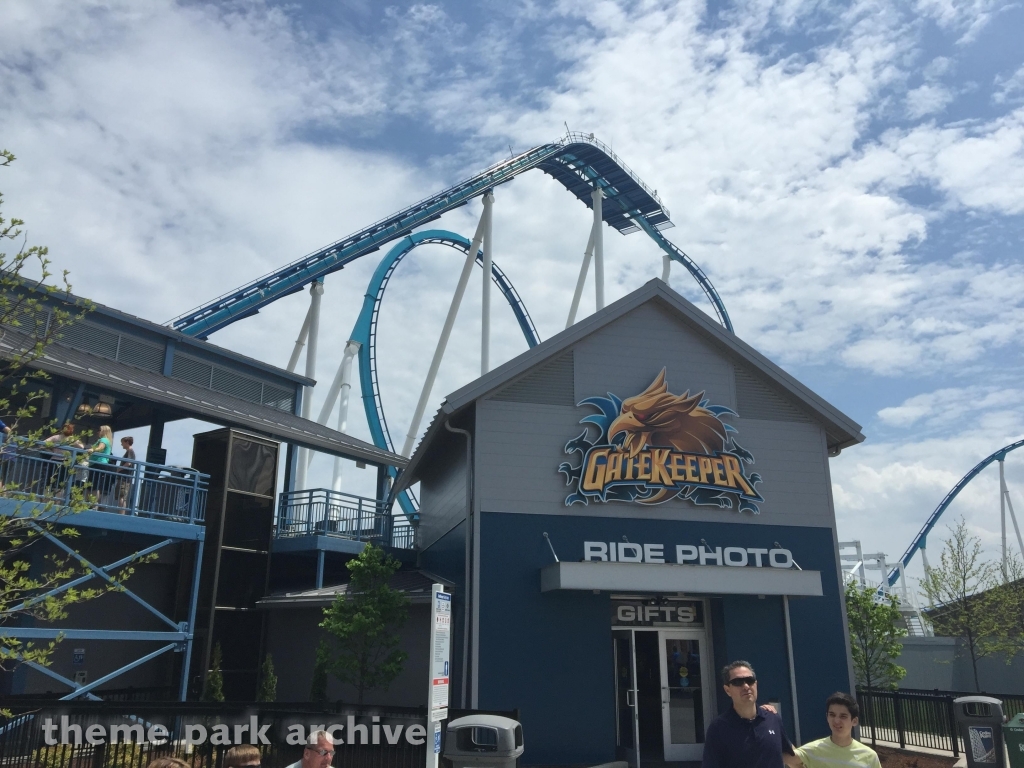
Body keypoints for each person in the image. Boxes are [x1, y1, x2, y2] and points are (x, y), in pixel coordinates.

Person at [702, 660, 800, 768]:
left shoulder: (772, 718)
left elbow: (791, 756)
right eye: (738, 682)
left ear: (756, 684)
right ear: (727, 690)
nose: (746, 686)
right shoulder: (718, 727)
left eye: (750, 680)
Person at [790, 692, 881, 768]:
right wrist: (775, 720)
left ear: (854, 721)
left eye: (843, 716)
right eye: (832, 715)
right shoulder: (813, 749)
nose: (836, 721)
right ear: (827, 717)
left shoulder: (869, 756)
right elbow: (787, 757)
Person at [88, 424, 114, 505]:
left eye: (99, 430)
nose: (97, 432)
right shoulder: (105, 440)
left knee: (95, 485)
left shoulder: (104, 439)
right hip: (96, 463)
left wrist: (92, 449)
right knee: (92, 485)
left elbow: (101, 448)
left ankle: (93, 505)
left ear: (103, 431)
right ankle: (91, 504)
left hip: (98, 463)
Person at [115, 435, 137, 511]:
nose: (121, 444)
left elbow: (129, 463)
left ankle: (121, 513)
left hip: (125, 477)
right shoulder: (129, 452)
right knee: (121, 496)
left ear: (127, 442)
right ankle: (121, 512)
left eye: (122, 443)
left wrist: (119, 469)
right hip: (124, 477)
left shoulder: (130, 451)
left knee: (122, 496)